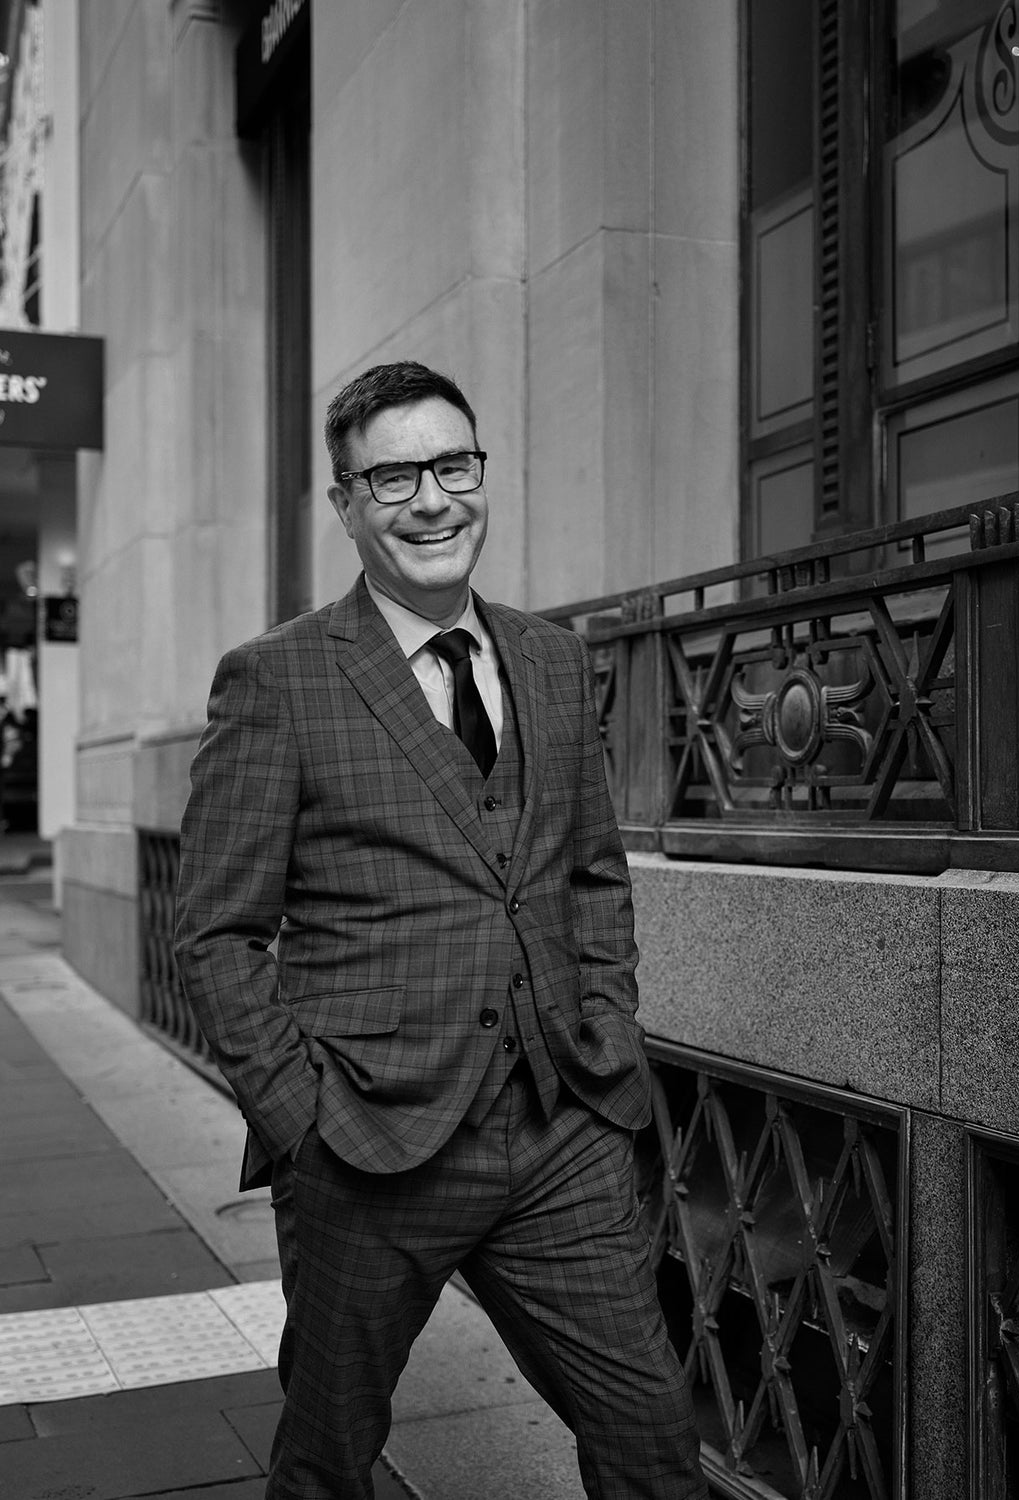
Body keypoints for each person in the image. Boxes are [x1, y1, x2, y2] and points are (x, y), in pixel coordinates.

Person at [174, 361, 706, 1499]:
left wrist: (604, 1029)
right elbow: (214, 933)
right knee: (328, 1455)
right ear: (347, 504)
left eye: (452, 465)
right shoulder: (276, 681)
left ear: (481, 473)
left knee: (653, 1437)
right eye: (394, 476)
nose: (431, 500)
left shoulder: (555, 663)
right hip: (365, 1144)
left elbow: (590, 876)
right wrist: (300, 1117)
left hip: (558, 1119)